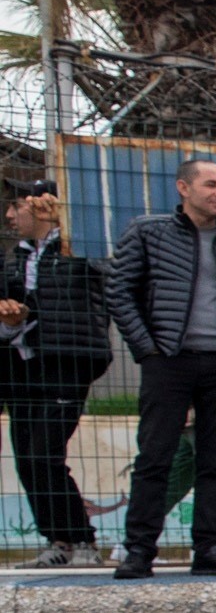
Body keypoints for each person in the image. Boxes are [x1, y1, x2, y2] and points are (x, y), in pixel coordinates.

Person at [105, 158, 216, 578]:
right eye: (211, 184)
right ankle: (139, 550)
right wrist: (148, 350)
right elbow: (120, 292)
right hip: (168, 362)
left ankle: (210, 548)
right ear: (183, 187)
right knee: (155, 457)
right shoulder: (147, 233)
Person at [0, 181, 109, 566]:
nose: (10, 216)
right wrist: (10, 322)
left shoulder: (82, 247)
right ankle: (58, 542)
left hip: (66, 364)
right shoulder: (14, 258)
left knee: (46, 452)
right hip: (20, 367)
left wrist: (69, 225)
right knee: (27, 458)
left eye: (16, 206)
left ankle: (83, 542)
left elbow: (110, 271)